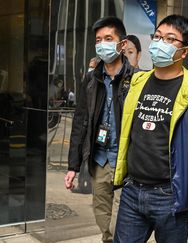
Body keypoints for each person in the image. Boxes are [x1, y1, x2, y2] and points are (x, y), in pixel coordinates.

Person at [112, 14, 188, 243]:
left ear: (185, 51)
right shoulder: (137, 82)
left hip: (170, 197)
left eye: (170, 39)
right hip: (132, 190)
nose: (161, 43)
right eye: (158, 37)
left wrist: (185, 178)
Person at [64, 16, 138, 243]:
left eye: (108, 38)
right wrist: (72, 166)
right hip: (100, 159)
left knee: (127, 219)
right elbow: (80, 122)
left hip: (128, 161)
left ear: (122, 44)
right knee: (102, 214)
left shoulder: (137, 79)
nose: (102, 44)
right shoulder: (90, 79)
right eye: (98, 40)